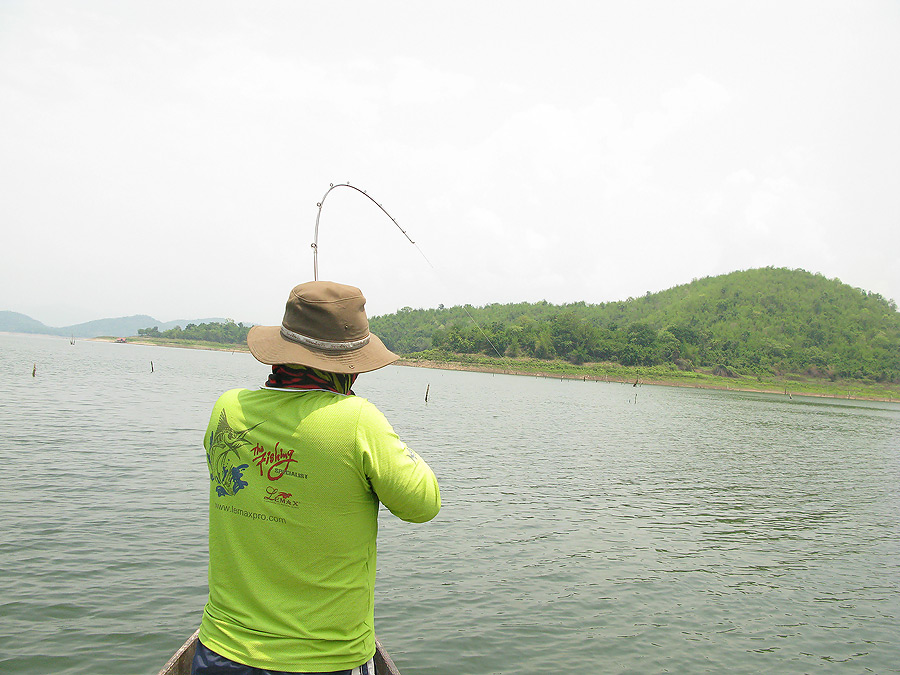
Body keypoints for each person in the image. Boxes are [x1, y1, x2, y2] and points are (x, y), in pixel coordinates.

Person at [193, 281, 441, 675]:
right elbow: (424, 504)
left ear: (280, 352)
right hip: (326, 662)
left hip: (222, 652)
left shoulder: (227, 408)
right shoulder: (360, 421)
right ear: (352, 366)